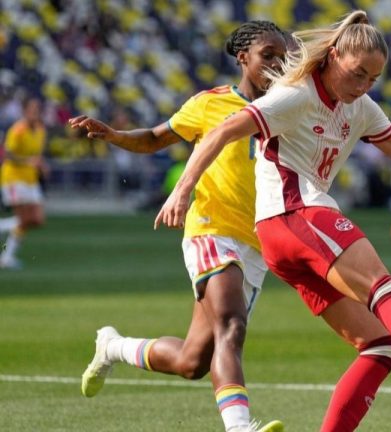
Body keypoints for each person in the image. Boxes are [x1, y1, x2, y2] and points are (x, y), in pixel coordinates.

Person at [157, 11, 391, 432]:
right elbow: (221, 131)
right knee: (386, 293)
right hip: (297, 215)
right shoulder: (296, 94)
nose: (363, 87)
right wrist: (181, 189)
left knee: (378, 347)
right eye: (358, 74)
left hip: (283, 239)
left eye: (373, 79)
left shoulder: (361, 107)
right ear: (334, 56)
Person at [68, 21, 287, 432]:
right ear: (243, 58)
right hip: (211, 227)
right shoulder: (211, 104)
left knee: (193, 361)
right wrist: (114, 134)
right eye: (268, 55)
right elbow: (155, 138)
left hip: (258, 241)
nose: (278, 63)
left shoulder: (291, 106)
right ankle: (240, 427)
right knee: (232, 324)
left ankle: (113, 346)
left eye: (284, 56)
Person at [0, 96, 48, 269]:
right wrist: (28, 161)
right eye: (32, 109)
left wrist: (41, 165)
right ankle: (7, 257)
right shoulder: (18, 130)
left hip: (30, 178)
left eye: (38, 108)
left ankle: (6, 254)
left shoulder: (41, 129)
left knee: (37, 219)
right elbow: (8, 154)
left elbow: (37, 155)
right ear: (25, 111)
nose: (36, 112)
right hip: (14, 177)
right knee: (24, 219)